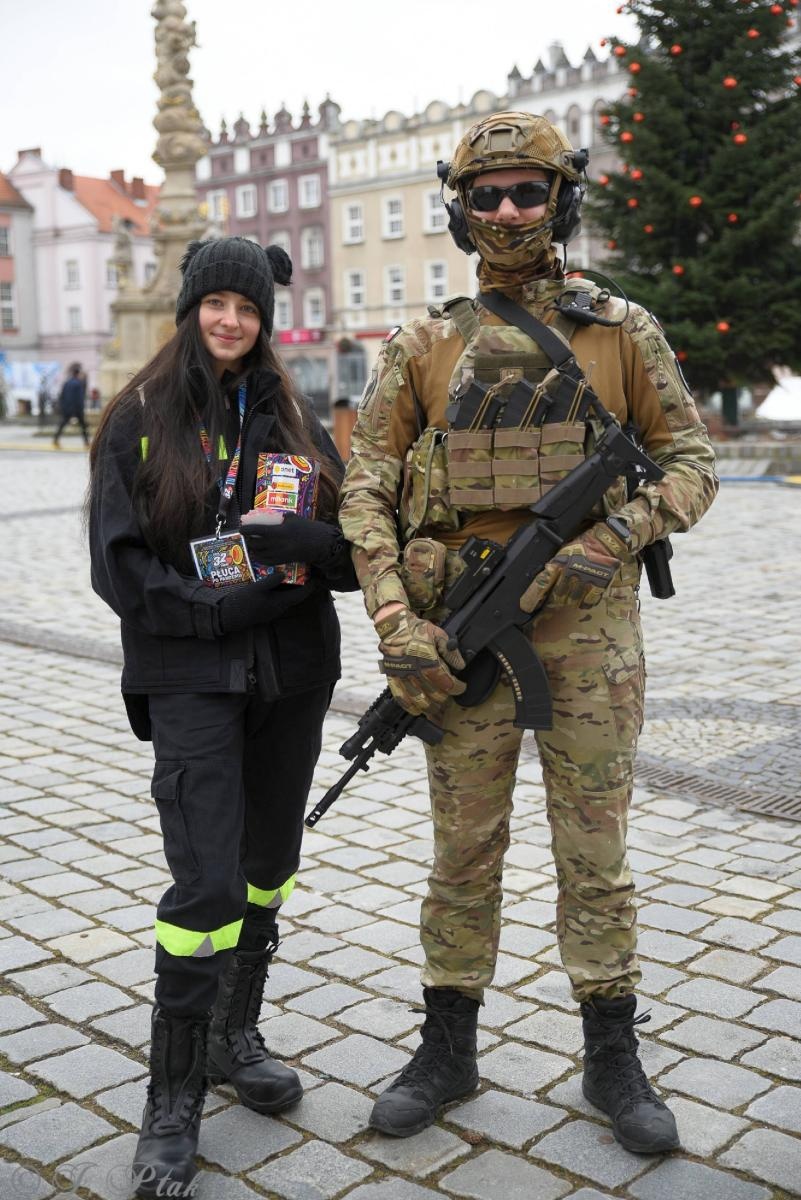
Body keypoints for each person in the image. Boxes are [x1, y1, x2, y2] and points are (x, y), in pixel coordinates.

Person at [339, 112, 718, 1154]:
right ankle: (448, 1048)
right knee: (464, 851)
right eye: (487, 194)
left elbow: (690, 462)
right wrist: (392, 619)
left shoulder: (621, 333)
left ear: (563, 198)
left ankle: (613, 1056)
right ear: (459, 208)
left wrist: (616, 538)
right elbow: (364, 491)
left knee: (593, 853)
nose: (508, 211)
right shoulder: (422, 344)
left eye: (527, 191)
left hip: (590, 640)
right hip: (462, 636)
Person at [89, 236, 357, 1198]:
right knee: (202, 886)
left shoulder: (294, 412)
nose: (231, 320)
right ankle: (172, 1095)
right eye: (216, 304)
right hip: (190, 675)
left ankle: (233, 1035)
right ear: (191, 309)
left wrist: (315, 540)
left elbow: (361, 550)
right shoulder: (141, 416)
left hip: (290, 673)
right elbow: (116, 566)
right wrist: (211, 610)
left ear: (263, 317)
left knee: (265, 869)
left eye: (246, 307)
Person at [53, 362, 90, 447]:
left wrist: (63, 407)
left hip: (67, 408)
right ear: (78, 374)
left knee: (62, 424)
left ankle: (55, 440)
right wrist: (77, 410)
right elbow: (78, 398)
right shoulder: (77, 383)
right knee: (83, 426)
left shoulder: (67, 382)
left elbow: (62, 396)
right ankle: (86, 442)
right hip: (76, 409)